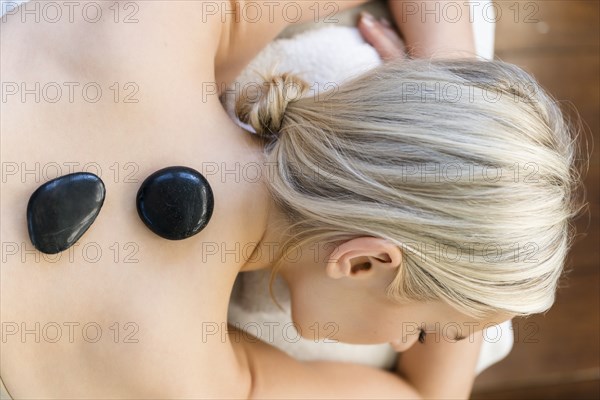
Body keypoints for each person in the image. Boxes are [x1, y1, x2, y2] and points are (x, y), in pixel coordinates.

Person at [0, 1, 583, 398]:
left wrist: (447, 77)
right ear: (362, 261)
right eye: (429, 328)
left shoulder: (168, 25)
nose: (405, 344)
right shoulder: (189, 379)